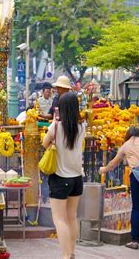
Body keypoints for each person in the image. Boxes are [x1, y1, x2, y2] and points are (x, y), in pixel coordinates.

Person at [99, 127, 139, 250]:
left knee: (137, 207)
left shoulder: (126, 145)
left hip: (137, 177)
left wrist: (102, 170)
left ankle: (134, 240)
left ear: (128, 135)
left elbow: (113, 164)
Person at [42, 92, 85, 259]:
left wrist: (54, 124)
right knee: (72, 217)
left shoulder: (56, 127)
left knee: (59, 219)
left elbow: (44, 143)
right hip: (77, 178)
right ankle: (72, 252)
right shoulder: (82, 127)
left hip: (60, 178)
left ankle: (66, 256)